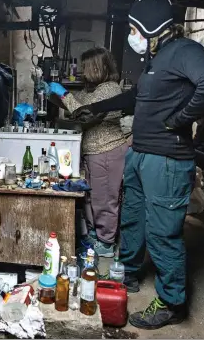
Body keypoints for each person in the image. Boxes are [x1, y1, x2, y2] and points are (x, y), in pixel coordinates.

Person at [72, 0, 204, 329]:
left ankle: (172, 302)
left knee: (162, 234)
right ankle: (127, 273)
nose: (131, 34)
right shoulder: (157, 59)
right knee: (132, 218)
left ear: (150, 28)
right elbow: (137, 96)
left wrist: (180, 119)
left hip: (167, 161)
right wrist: (98, 108)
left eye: (133, 28)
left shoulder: (185, 51)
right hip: (140, 154)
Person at [47, 47, 129, 258]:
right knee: (91, 197)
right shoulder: (90, 90)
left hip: (108, 149)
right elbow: (73, 105)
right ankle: (95, 233)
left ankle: (107, 242)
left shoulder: (109, 90)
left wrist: (63, 92)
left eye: (85, 67)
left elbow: (83, 113)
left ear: (98, 67)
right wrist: (51, 94)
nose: (82, 71)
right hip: (92, 151)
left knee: (106, 199)